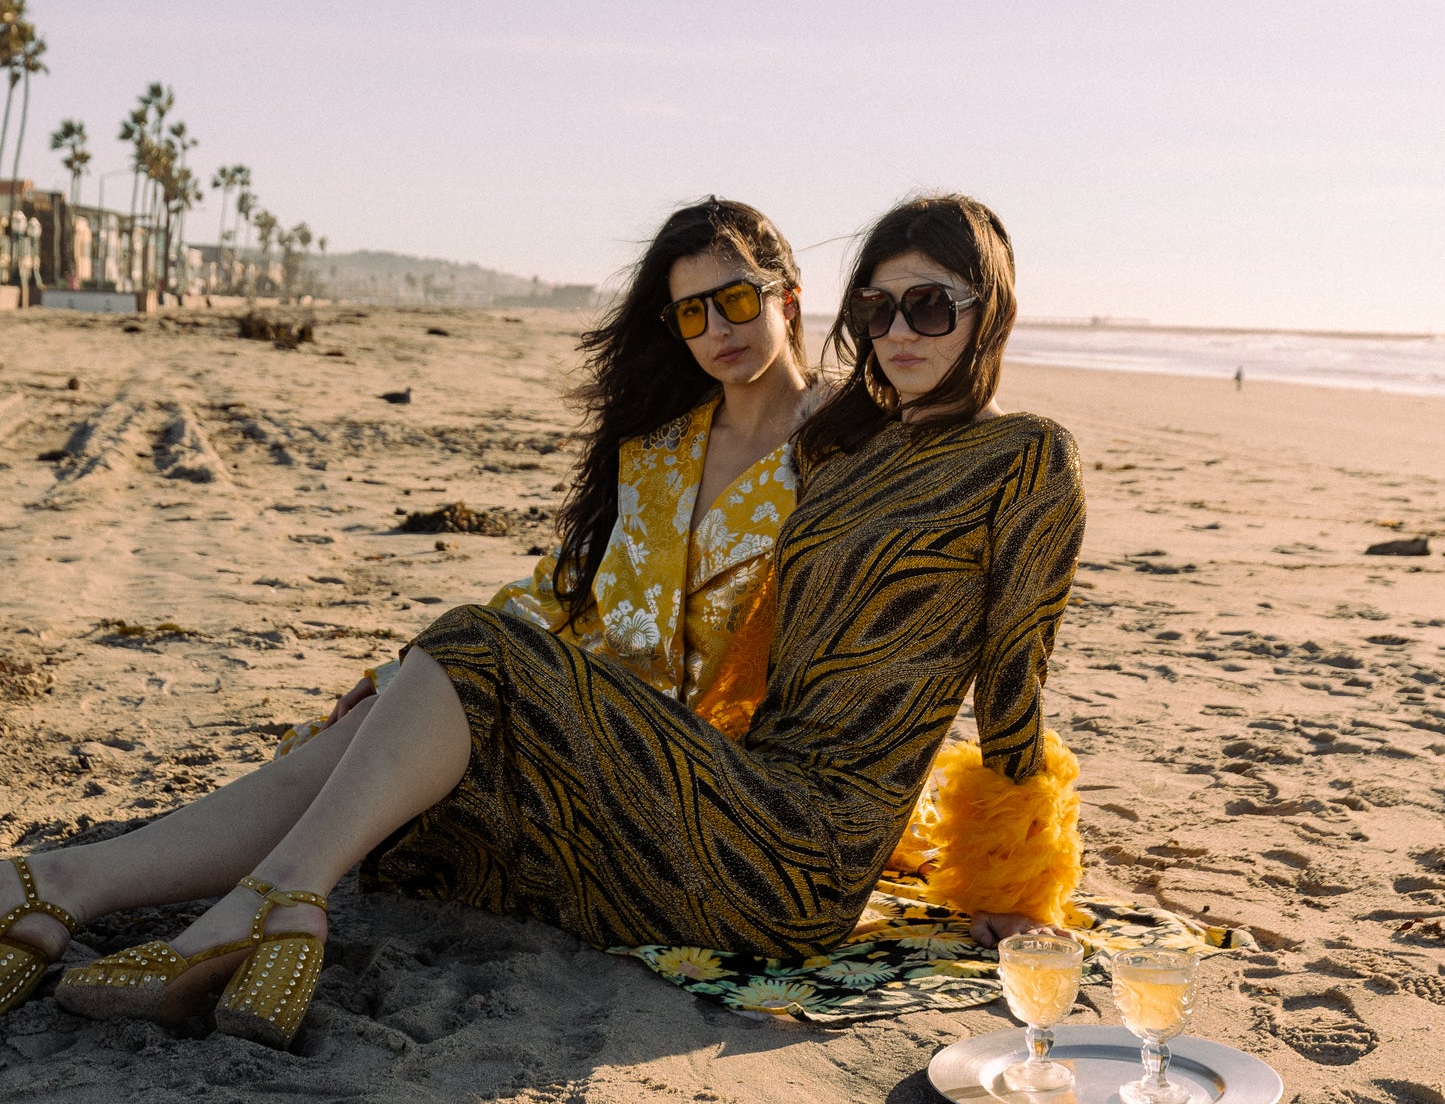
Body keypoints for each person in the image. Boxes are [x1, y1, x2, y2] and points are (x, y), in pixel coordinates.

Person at [2, 193, 1084, 1050]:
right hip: (663, 786)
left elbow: (1012, 678)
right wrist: (407, 674)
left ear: (987, 311)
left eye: (931, 306)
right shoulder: (845, 449)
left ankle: (262, 911)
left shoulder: (996, 454)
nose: (900, 330)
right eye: (882, 308)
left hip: (784, 842)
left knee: (467, 653)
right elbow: (574, 589)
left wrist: (1012, 882)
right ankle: (61, 889)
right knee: (391, 747)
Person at [278, 196, 811, 751]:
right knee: (357, 734)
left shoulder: (846, 458)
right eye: (693, 313)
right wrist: (404, 676)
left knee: (389, 760)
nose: (718, 329)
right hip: (590, 716)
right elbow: (563, 588)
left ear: (789, 301)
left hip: (727, 770)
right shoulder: (660, 450)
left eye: (737, 300)